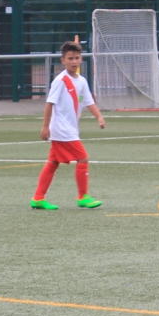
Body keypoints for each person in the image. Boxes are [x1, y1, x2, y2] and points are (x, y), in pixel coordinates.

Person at [31, 41, 105, 210]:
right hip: (62, 129)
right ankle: (83, 196)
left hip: (70, 129)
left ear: (81, 59)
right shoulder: (60, 81)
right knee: (83, 158)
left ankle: (38, 198)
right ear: (63, 60)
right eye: (70, 58)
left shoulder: (82, 81)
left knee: (52, 163)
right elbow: (49, 103)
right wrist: (45, 126)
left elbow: (89, 102)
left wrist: (99, 116)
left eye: (77, 58)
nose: (74, 61)